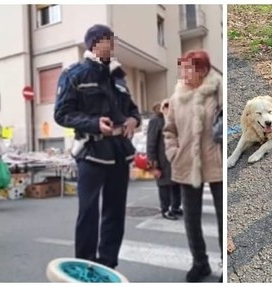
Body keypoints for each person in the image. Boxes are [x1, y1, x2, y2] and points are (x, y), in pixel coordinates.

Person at [54, 24, 141, 269]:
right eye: (108, 41)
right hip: (91, 151)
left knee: (115, 212)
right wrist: (93, 123)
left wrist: (134, 119)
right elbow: (62, 114)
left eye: (113, 41)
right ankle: (84, 266)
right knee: (88, 213)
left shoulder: (118, 76)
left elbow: (132, 110)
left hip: (119, 152)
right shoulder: (75, 74)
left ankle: (108, 264)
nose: (113, 45)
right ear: (94, 43)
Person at [163, 50, 223, 282]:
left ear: (202, 70)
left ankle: (224, 266)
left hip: (215, 159)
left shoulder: (218, 91)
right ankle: (200, 263)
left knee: (222, 217)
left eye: (188, 68)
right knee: (191, 218)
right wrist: (172, 153)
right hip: (186, 161)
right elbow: (169, 130)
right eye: (182, 68)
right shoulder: (177, 97)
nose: (183, 73)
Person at [147, 100, 183, 220]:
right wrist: (153, 164)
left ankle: (175, 207)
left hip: (175, 158)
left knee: (176, 184)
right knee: (164, 185)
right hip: (161, 160)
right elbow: (151, 143)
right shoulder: (156, 120)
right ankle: (165, 209)